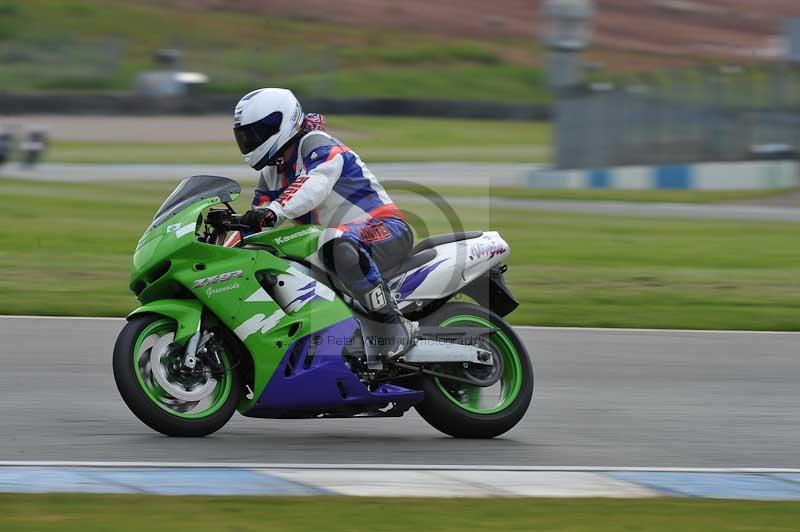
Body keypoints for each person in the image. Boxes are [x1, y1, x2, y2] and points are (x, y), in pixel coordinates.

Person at [233, 88, 417, 369]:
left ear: (283, 122)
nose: (251, 141)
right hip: (328, 244)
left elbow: (314, 183)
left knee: (337, 243)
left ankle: (393, 326)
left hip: (384, 229)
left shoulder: (315, 143)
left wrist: (274, 211)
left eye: (258, 132)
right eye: (245, 135)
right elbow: (256, 225)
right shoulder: (271, 171)